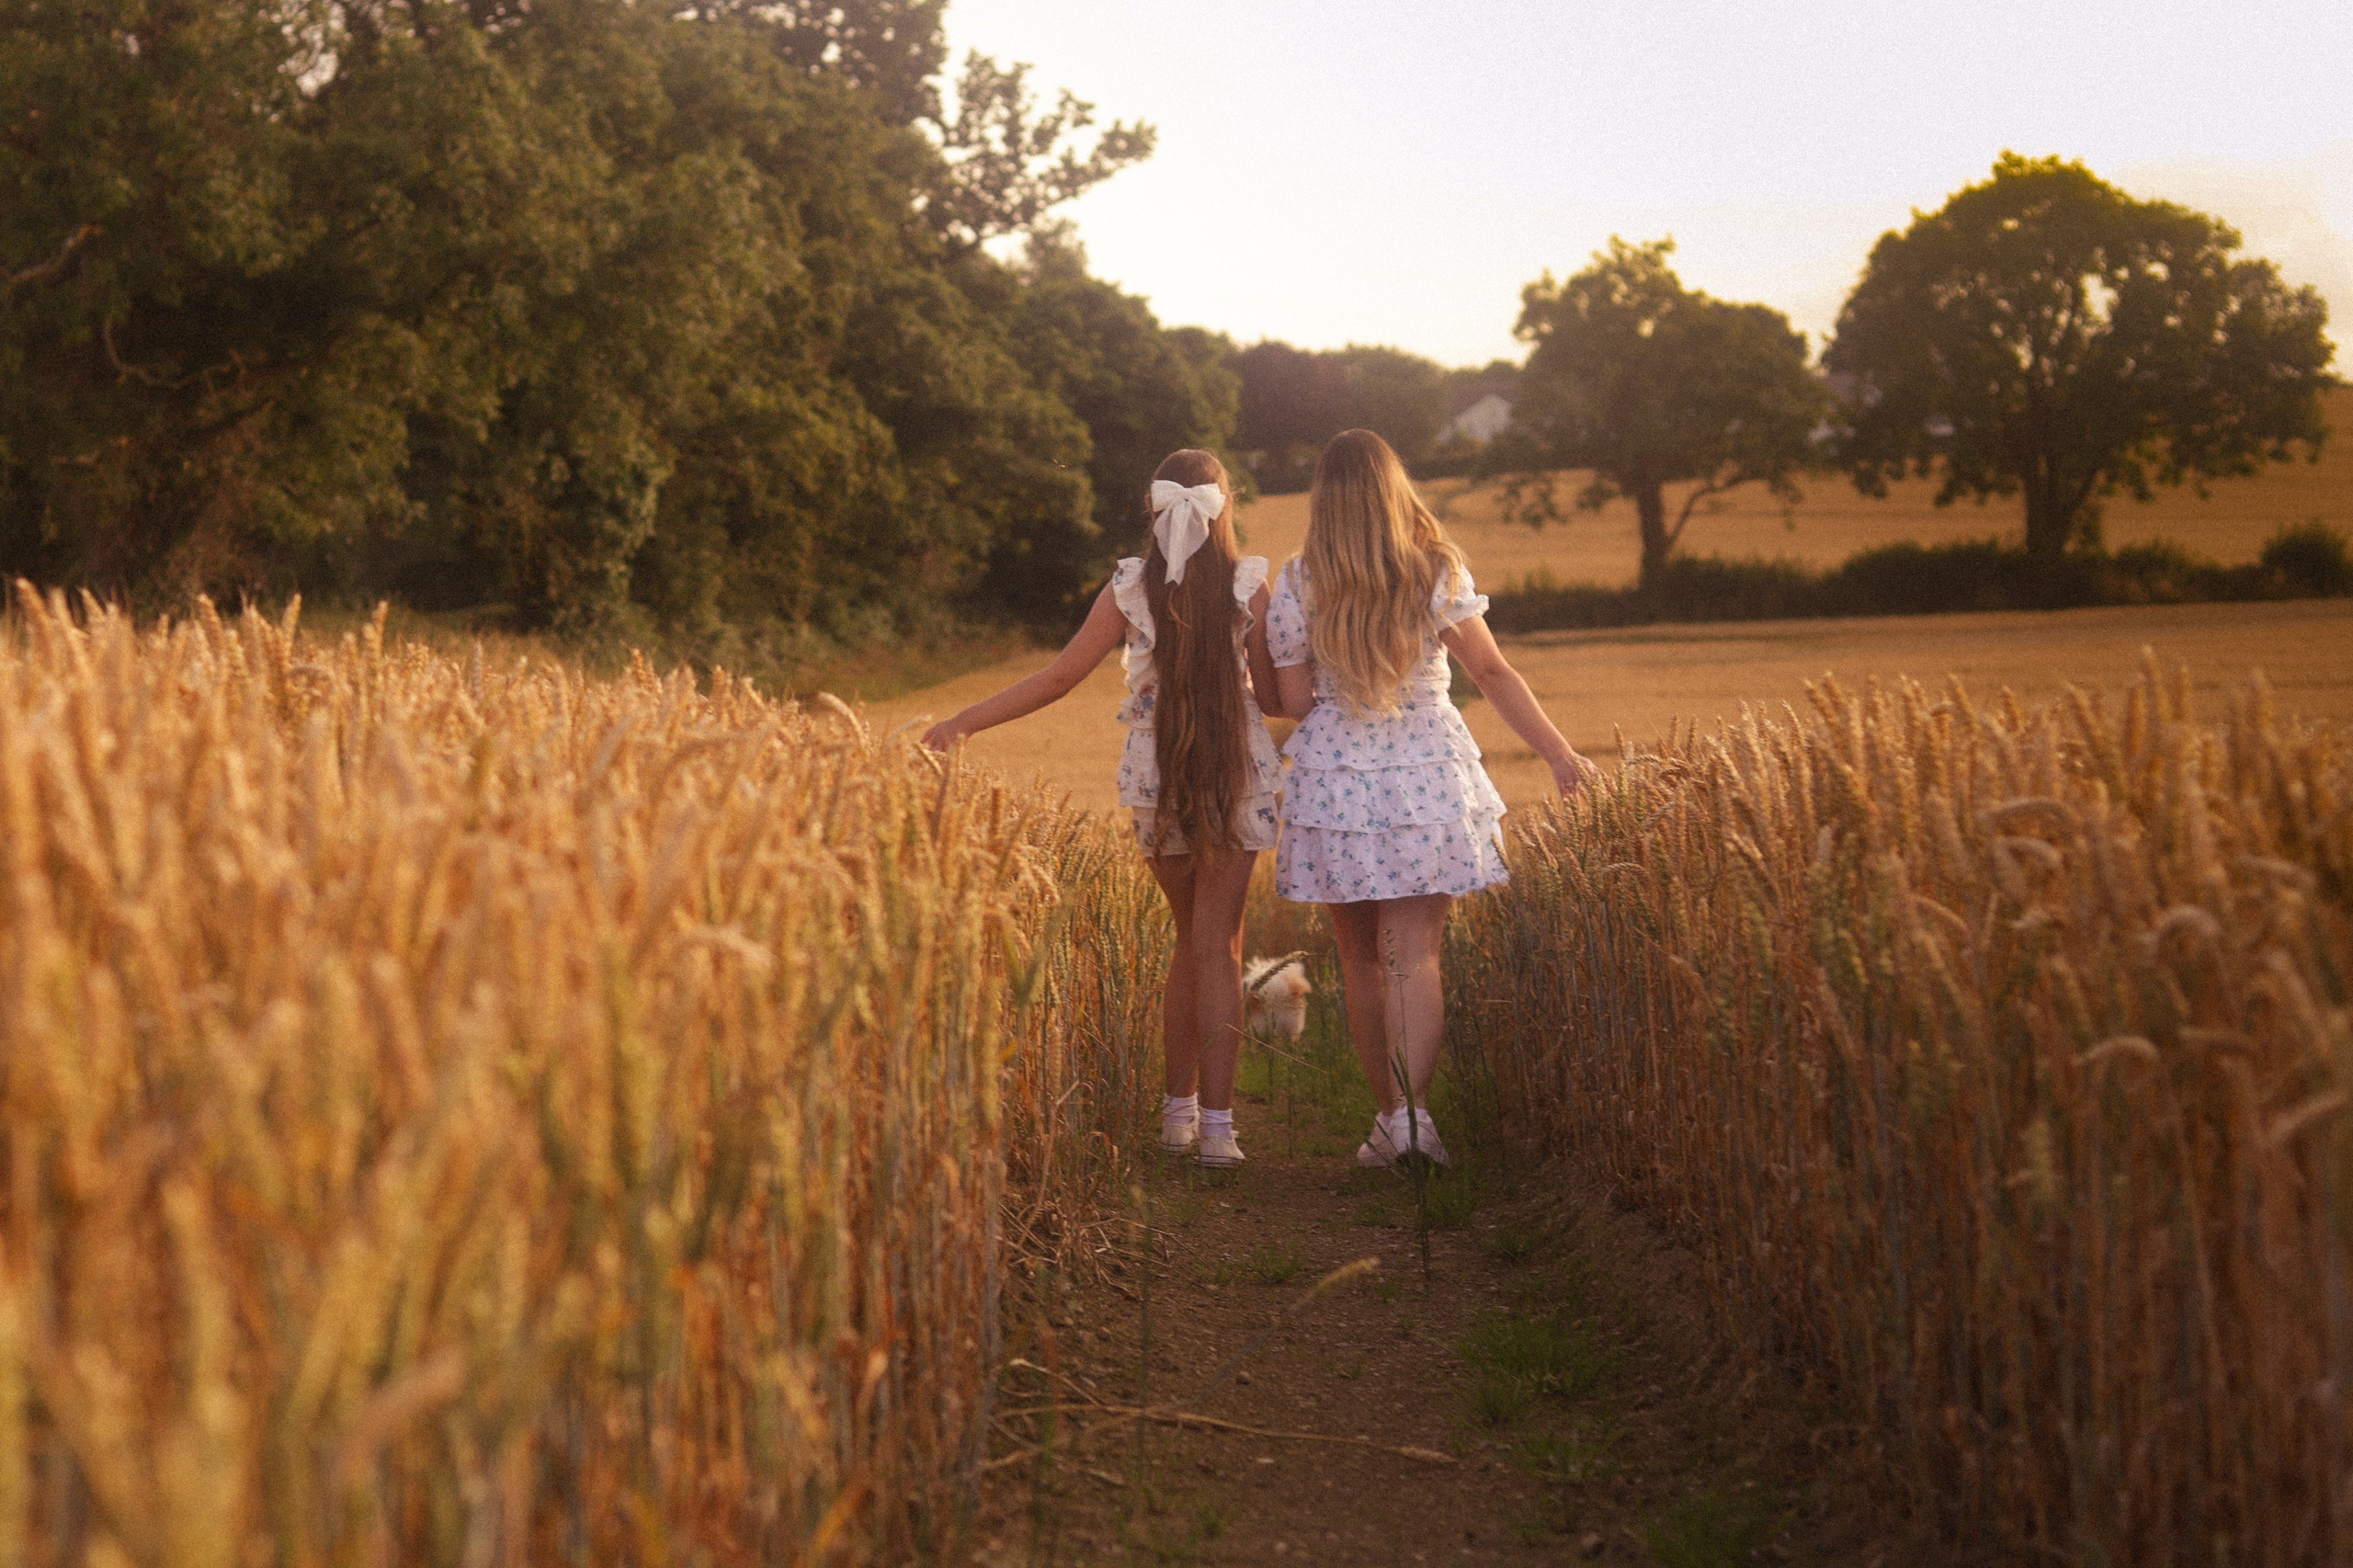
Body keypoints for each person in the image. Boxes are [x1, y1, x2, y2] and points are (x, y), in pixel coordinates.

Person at [923, 449, 1281, 1168]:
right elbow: (1273, 699)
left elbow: (1058, 677)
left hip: (1157, 776)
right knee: (1222, 949)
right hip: (1236, 771)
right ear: (1225, 504)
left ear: (1152, 510)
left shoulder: (1128, 588)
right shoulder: (1252, 586)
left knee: (1188, 944)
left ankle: (1175, 1118)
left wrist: (959, 723)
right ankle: (1218, 1131)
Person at [1265, 428, 1596, 1170]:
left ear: (1324, 499)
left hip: (1337, 781)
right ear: (1395, 489)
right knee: (1416, 956)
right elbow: (1495, 672)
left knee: (1359, 960)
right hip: (1427, 774)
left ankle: (1390, 1120)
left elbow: (1291, 700)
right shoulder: (1435, 571)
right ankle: (1417, 1122)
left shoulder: (1295, 582)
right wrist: (1559, 754)